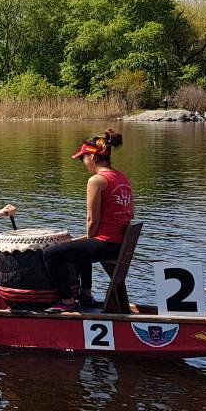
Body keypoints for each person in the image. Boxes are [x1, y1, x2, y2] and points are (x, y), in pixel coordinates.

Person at [42, 129, 134, 312]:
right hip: (120, 243)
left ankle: (67, 302)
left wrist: (88, 237)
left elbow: (92, 220)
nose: (83, 163)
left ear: (91, 157)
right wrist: (85, 239)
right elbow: (130, 214)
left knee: (51, 254)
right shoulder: (122, 177)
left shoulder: (97, 180)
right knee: (80, 248)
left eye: (82, 159)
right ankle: (86, 294)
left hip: (107, 245)